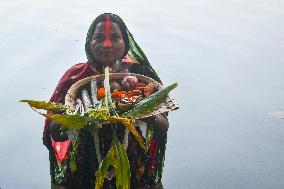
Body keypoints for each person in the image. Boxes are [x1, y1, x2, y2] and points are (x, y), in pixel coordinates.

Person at [43, 13, 169, 189]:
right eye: (99, 38)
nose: (106, 44)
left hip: (133, 166)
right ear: (89, 43)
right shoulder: (75, 78)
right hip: (86, 166)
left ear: (126, 43)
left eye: (115, 37)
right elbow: (55, 133)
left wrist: (141, 111)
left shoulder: (142, 76)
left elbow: (162, 128)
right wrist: (73, 118)